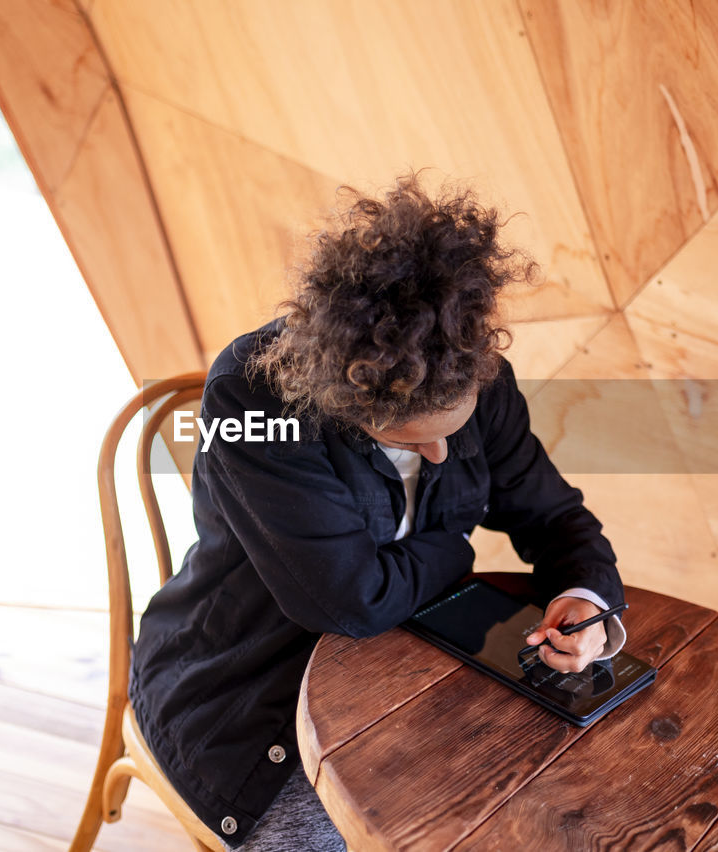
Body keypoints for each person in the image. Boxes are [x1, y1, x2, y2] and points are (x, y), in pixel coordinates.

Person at [129, 173, 626, 850]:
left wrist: (585, 600)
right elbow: (346, 600)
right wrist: (456, 551)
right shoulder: (253, 400)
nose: (444, 452)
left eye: (458, 422)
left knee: (556, 804)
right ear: (353, 401)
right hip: (246, 697)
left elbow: (556, 519)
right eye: (413, 437)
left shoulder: (476, 373)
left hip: (402, 669)